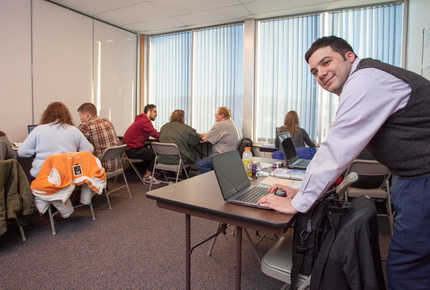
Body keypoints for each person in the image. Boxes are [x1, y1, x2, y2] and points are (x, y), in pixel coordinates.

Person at [258, 36, 430, 289]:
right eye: (315, 71)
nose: (321, 74)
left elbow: (335, 150)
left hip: (422, 178)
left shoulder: (365, 81)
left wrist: (299, 201)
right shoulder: (367, 79)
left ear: (349, 56)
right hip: (412, 176)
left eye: (326, 62)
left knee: (408, 267)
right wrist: (305, 190)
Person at [18, 102, 93, 179]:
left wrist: (35, 152)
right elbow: (89, 150)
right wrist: (74, 154)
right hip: (67, 176)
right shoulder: (74, 130)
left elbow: (22, 152)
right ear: (67, 116)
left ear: (47, 115)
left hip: (42, 176)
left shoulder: (39, 129)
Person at [123, 104, 160, 184]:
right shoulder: (145, 121)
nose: (156, 114)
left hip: (128, 150)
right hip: (132, 150)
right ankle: (147, 176)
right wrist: (168, 137)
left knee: (149, 149)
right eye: (155, 112)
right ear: (148, 112)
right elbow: (155, 134)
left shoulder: (141, 120)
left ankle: (150, 172)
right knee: (155, 152)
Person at [77, 102, 120, 172]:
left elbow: (74, 142)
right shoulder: (107, 121)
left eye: (80, 115)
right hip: (115, 164)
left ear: (87, 115)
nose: (80, 119)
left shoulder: (86, 126)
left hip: (100, 166)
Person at [198, 107, 240, 173]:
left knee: (201, 164)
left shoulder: (220, 125)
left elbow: (205, 139)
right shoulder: (230, 122)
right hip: (231, 155)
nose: (215, 115)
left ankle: (214, 181)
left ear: (222, 115)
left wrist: (198, 135)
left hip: (222, 156)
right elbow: (212, 134)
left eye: (216, 114)